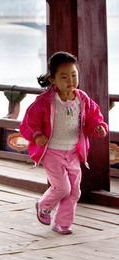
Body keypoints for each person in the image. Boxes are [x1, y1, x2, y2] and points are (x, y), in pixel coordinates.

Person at [19, 51, 108, 234]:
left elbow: (93, 117)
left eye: (74, 75)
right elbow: (29, 121)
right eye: (64, 76)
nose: (71, 80)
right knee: (62, 187)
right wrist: (37, 135)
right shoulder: (44, 102)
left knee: (74, 191)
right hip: (53, 152)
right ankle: (44, 205)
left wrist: (99, 126)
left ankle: (62, 223)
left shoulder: (82, 99)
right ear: (52, 79)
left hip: (73, 152)